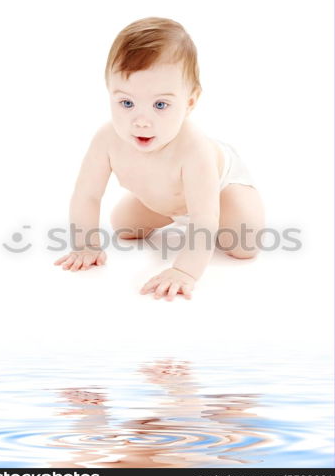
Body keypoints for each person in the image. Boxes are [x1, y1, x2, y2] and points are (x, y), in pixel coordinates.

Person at [54, 17, 265, 301]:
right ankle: (174, 217)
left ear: (189, 102)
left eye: (160, 105)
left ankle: (226, 215)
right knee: (123, 225)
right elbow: (87, 195)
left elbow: (204, 217)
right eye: (126, 103)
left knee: (243, 245)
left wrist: (184, 271)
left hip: (220, 189)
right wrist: (85, 245)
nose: (141, 121)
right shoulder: (107, 140)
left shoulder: (195, 150)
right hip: (170, 200)